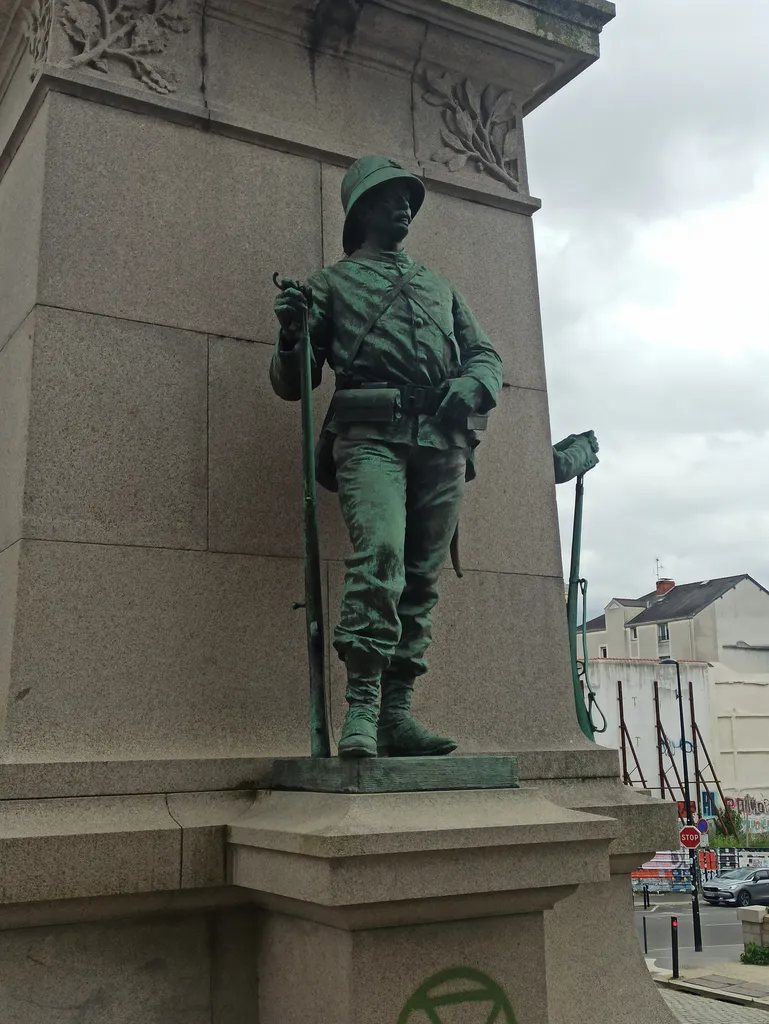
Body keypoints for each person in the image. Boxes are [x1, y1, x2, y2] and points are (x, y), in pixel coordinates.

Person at [271, 155, 503, 758]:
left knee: (422, 577)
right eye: (388, 198)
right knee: (380, 554)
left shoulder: (439, 286)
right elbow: (294, 384)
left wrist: (473, 384)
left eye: (407, 199)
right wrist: (292, 336)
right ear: (361, 212)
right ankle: (363, 708)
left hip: (443, 441)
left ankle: (397, 713)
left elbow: (484, 354)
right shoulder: (329, 285)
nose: (403, 207)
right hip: (369, 434)